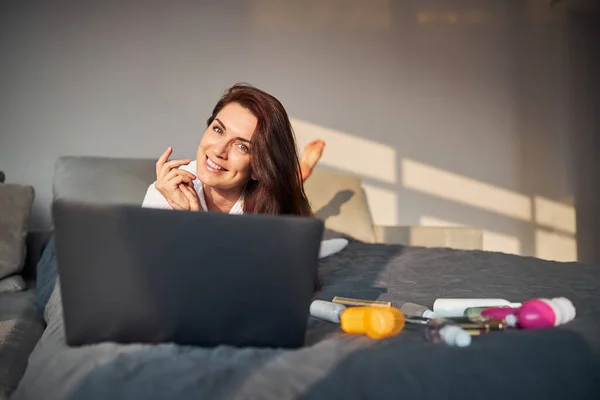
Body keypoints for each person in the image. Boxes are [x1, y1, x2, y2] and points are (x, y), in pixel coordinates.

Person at [141, 83, 340, 290]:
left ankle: (301, 171)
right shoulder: (167, 188)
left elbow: (247, 287)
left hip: (266, 197)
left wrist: (200, 224)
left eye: (242, 146)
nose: (218, 150)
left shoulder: (264, 215)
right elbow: (150, 276)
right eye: (218, 129)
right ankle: (301, 171)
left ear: (257, 168)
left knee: (286, 190)